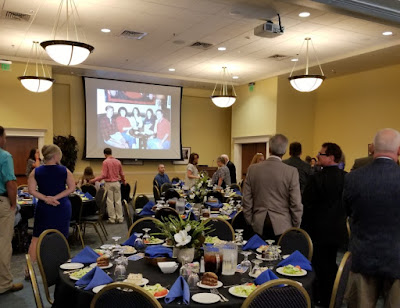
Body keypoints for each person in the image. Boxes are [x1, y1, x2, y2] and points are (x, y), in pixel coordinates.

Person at [344, 128, 400, 308]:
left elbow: (346, 213)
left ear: (373, 148)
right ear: (398, 150)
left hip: (363, 257)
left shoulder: (353, 178)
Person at [302, 143, 347, 307]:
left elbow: (306, 203)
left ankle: (319, 297)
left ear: (331, 157)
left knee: (318, 265)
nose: (318, 156)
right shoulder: (346, 177)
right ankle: (333, 296)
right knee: (330, 262)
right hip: (337, 229)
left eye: (321, 154)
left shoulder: (316, 178)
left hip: (317, 229)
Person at [242, 134, 303, 241]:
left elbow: (246, 199)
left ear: (269, 149)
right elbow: (296, 203)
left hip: (258, 223)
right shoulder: (291, 172)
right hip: (283, 225)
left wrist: (250, 220)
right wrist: (295, 225)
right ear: (285, 151)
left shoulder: (253, 169)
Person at [27, 144, 75, 265]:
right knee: (62, 238)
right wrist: (55, 197)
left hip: (44, 208)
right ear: (55, 156)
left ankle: (28, 270)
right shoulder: (65, 170)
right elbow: (72, 188)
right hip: (61, 206)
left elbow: (31, 190)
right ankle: (63, 265)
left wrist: (46, 198)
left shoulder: (36, 171)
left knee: (36, 239)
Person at [0, 126, 23, 294]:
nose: (6, 140)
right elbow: (10, 183)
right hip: (1, 202)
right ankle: (4, 284)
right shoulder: (5, 156)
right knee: (3, 243)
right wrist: (13, 204)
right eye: (5, 137)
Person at [90, 148, 126, 224]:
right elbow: (122, 174)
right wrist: (124, 181)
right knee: (118, 200)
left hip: (109, 183)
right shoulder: (118, 162)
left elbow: (104, 175)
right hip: (117, 182)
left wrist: (95, 180)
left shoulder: (105, 162)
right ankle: (120, 217)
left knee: (110, 201)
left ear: (105, 154)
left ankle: (112, 218)